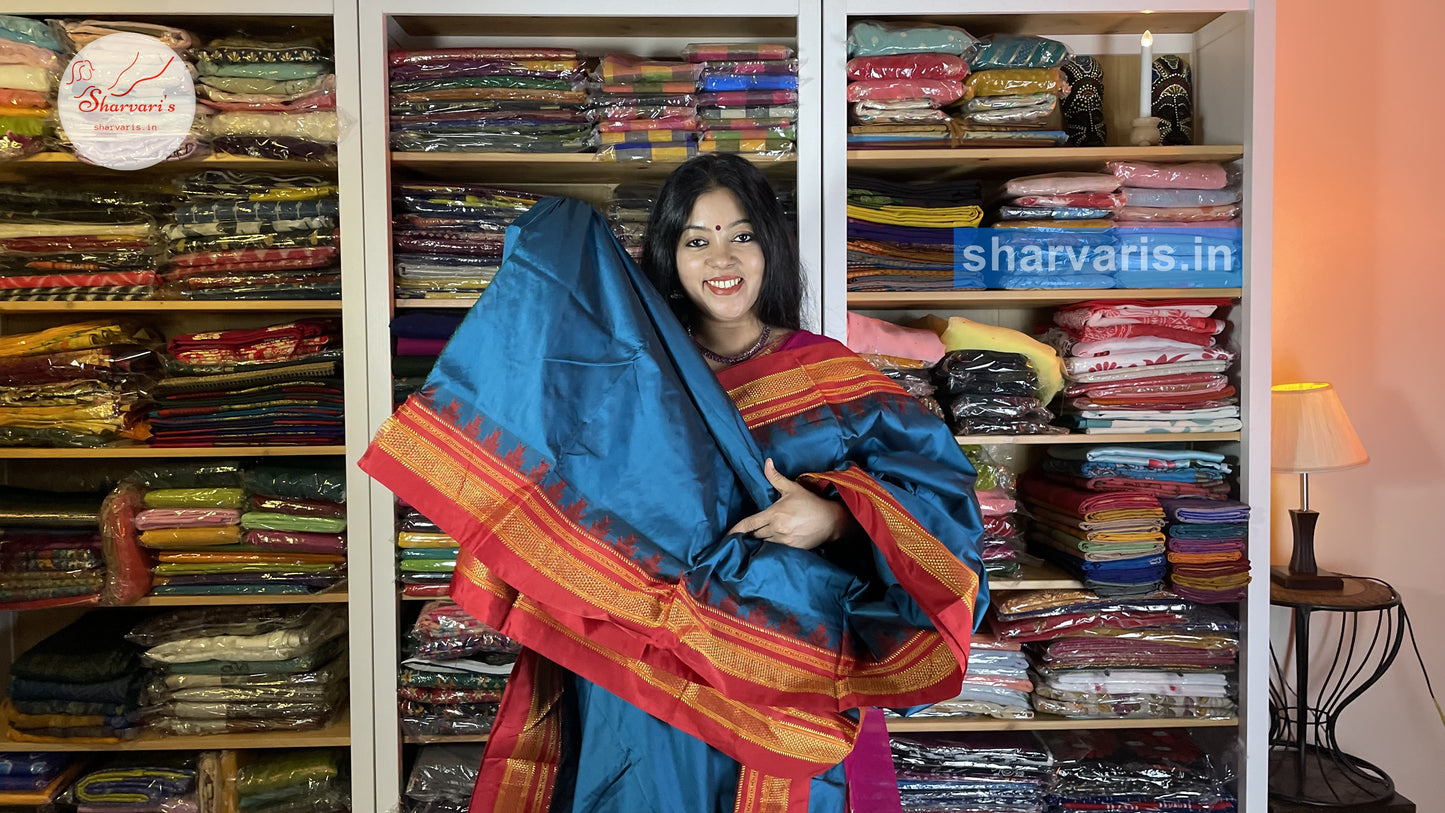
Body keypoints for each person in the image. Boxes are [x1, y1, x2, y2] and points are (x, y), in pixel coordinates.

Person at [361, 154, 988, 813]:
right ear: (669, 254)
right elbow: (552, 472)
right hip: (639, 666)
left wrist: (836, 518)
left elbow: (941, 504)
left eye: (740, 235)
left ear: (768, 245)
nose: (723, 260)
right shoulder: (631, 372)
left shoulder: (827, 373)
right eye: (697, 240)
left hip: (782, 666)